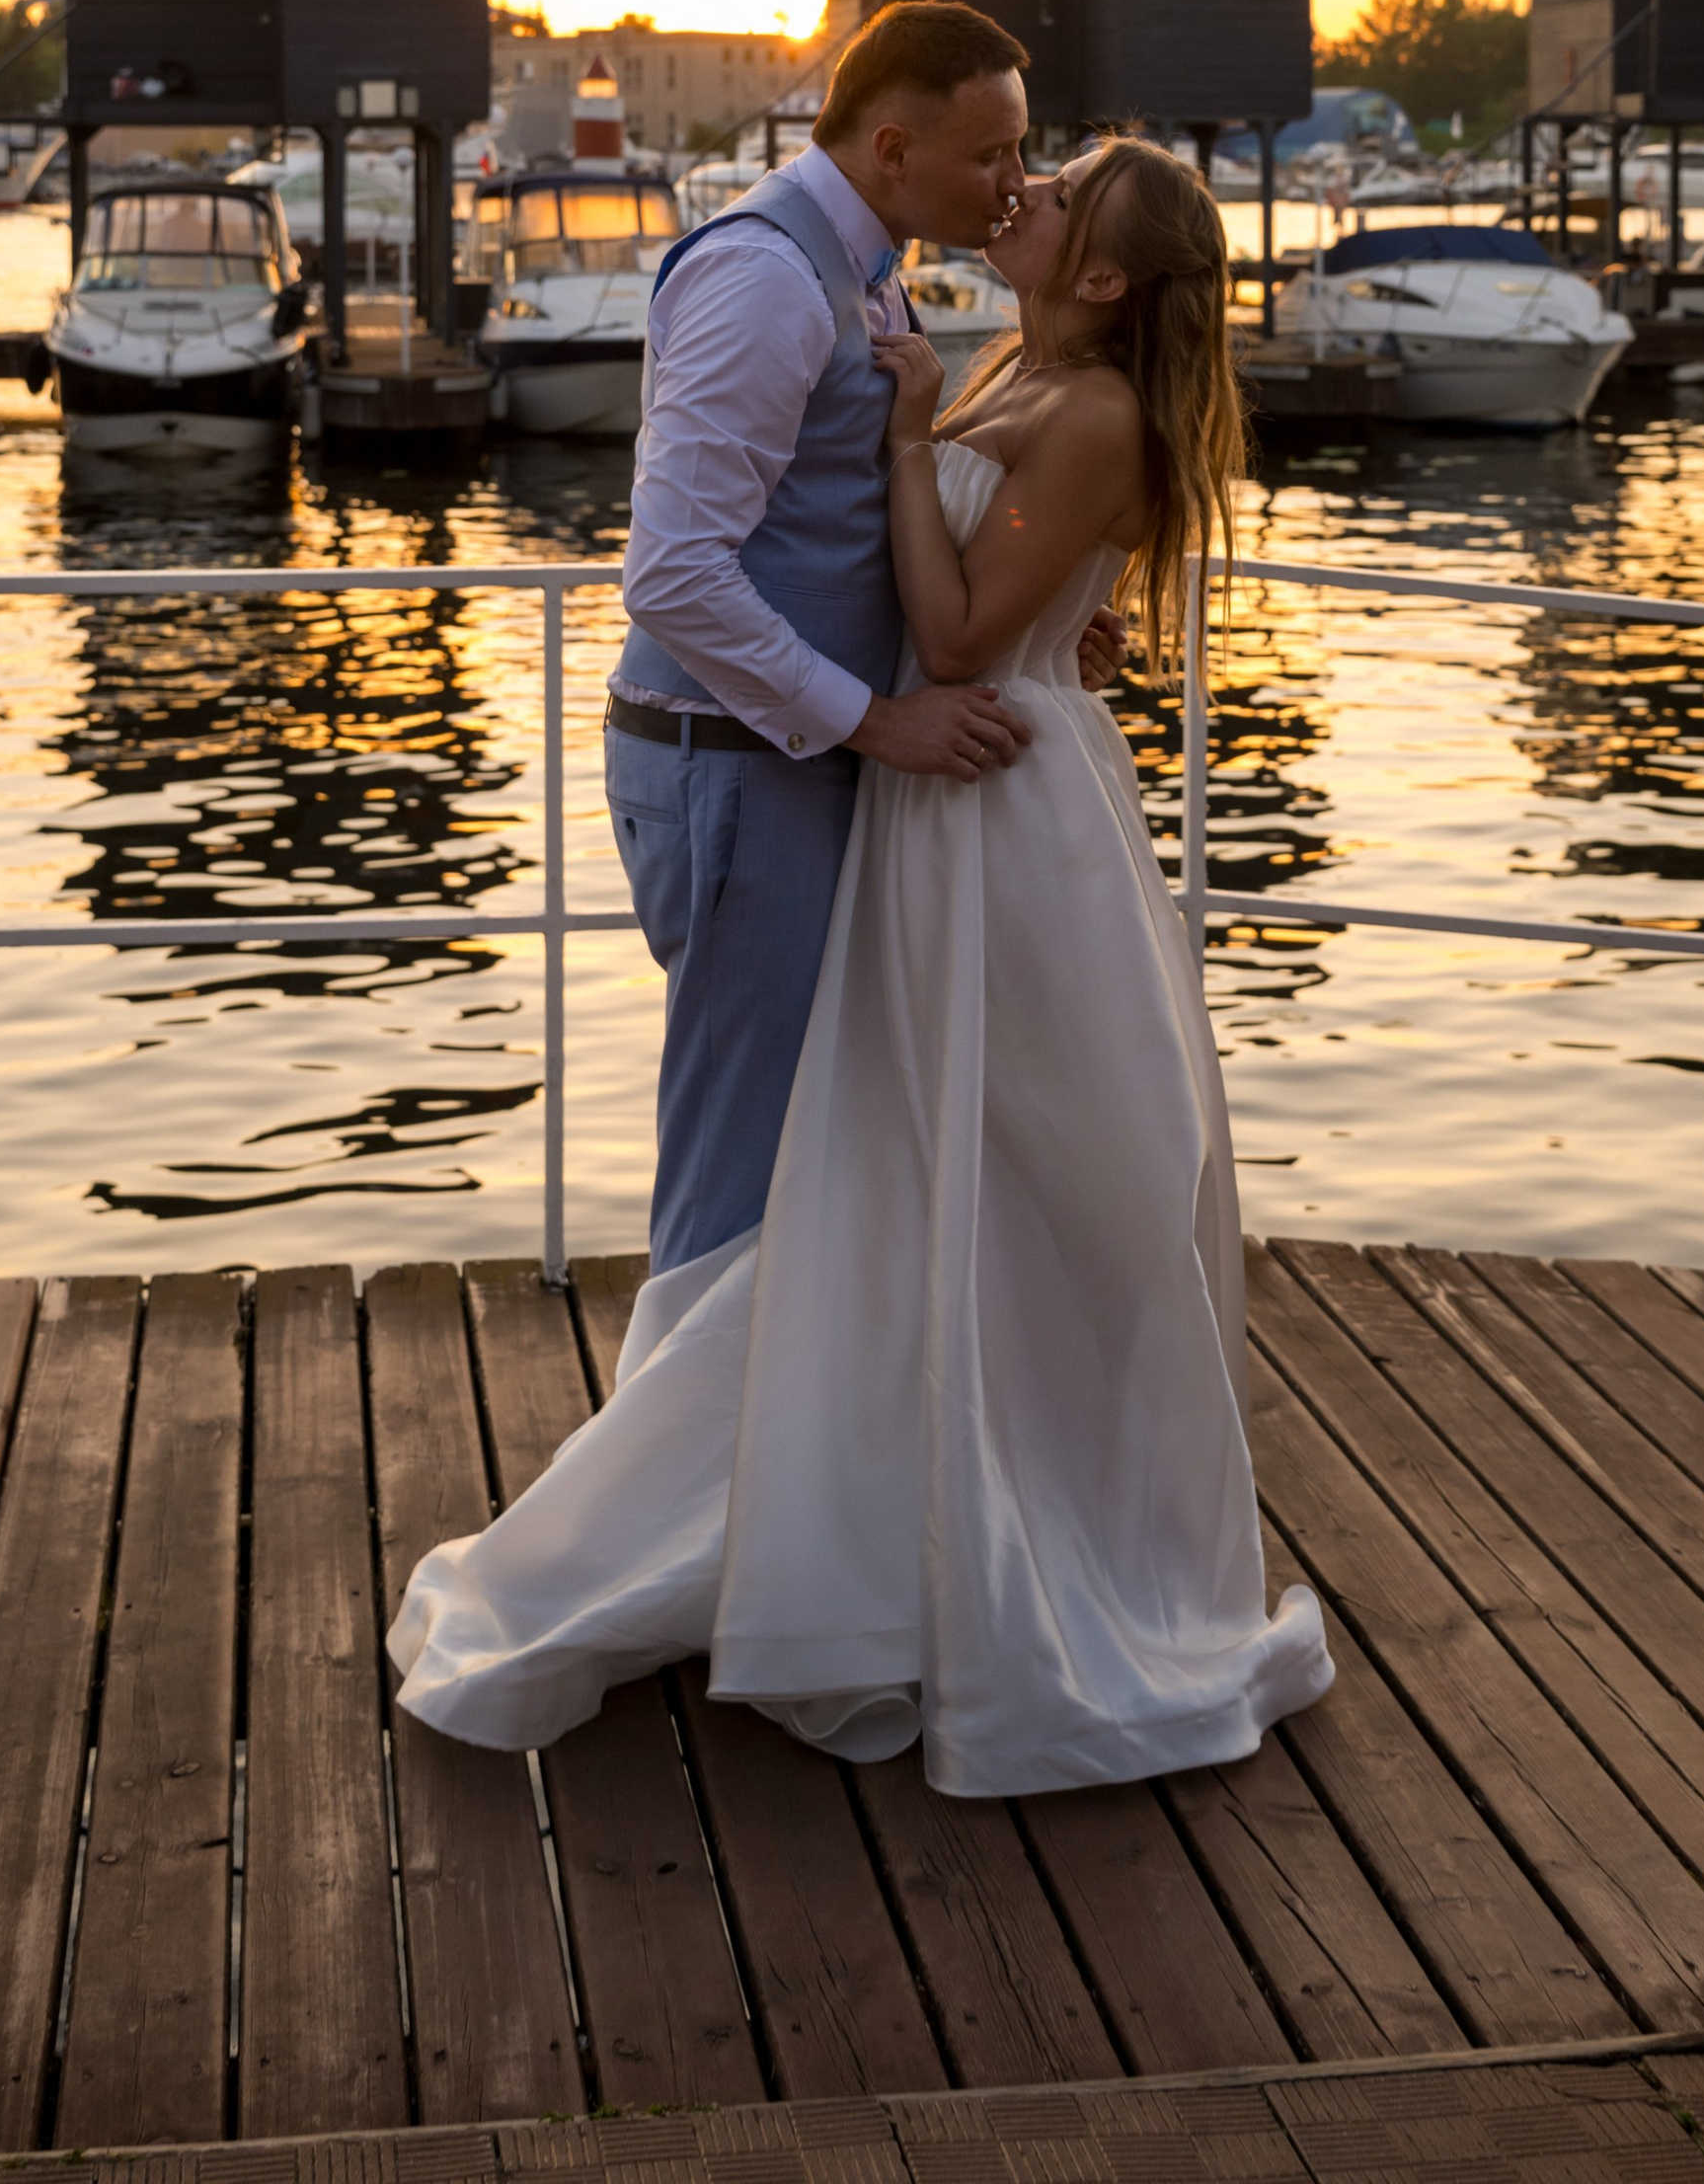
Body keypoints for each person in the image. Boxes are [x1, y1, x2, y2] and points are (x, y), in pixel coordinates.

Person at [390, 132, 1330, 1794]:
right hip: (930, 792)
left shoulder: (1088, 404)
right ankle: (858, 1508)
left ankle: (1016, 1525)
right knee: (899, 1162)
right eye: (1017, 160)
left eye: (1062, 189)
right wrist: (1023, 556)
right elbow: (990, 587)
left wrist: (918, 453)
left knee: (1008, 1168)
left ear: (1108, 276)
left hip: (996, 799)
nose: (1022, 188)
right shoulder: (997, 356)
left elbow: (964, 634)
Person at [604, 0, 1079, 1275]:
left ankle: (764, 1461)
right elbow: (674, 572)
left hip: (783, 770)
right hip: (734, 770)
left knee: (799, 1157)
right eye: (992, 155)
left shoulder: (865, 269)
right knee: (737, 1176)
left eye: (1020, 153)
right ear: (890, 149)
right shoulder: (765, 278)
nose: (1014, 183)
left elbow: (842, 515)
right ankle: (675, 1471)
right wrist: (878, 721)